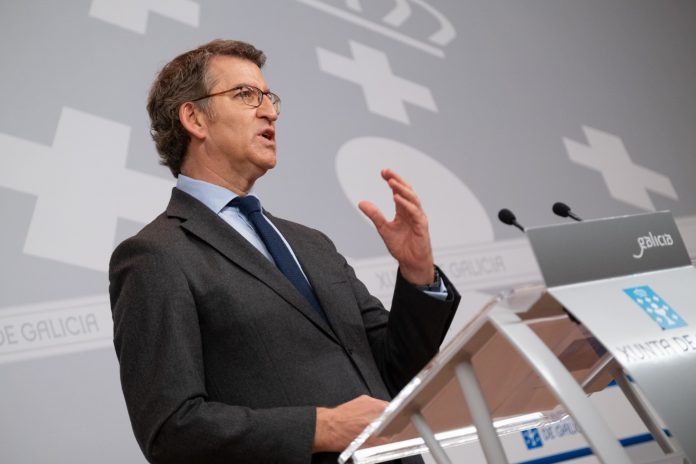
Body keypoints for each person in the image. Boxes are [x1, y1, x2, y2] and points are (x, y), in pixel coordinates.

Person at [109, 39, 461, 464]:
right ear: (194, 118)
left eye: (269, 97)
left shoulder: (311, 244)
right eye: (245, 95)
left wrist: (418, 272)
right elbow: (171, 430)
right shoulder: (155, 255)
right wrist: (320, 428)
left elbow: (398, 371)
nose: (270, 112)